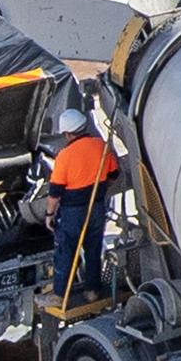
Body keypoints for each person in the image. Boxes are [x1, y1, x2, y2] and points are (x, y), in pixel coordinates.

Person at [42, 116, 120, 307]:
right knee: (93, 249)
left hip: (73, 212)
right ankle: (92, 291)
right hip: (97, 207)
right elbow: (114, 174)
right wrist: (99, 189)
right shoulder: (102, 146)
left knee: (66, 250)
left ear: (68, 134)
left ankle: (59, 295)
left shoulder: (65, 155)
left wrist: (49, 215)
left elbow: (55, 193)